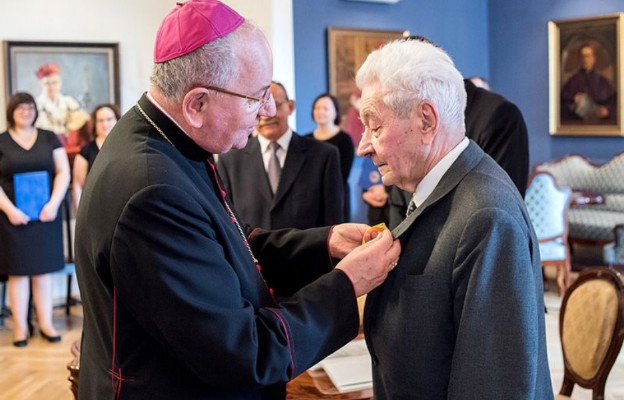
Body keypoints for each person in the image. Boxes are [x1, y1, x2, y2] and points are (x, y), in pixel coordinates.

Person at [74, 1, 400, 399]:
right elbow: (246, 353)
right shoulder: (152, 192)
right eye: (256, 96)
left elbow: (223, 244)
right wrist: (347, 284)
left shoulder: (164, 140)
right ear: (197, 104)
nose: (266, 111)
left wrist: (323, 245)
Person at [356, 39, 552, 398]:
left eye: (375, 126)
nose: (363, 146)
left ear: (426, 120)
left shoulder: (486, 216)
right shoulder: (442, 190)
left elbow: (493, 386)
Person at [217, 81, 344, 230]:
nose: (266, 115)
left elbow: (334, 227)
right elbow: (226, 224)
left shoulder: (324, 156)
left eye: (274, 105)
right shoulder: (230, 161)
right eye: (256, 106)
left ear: (290, 107)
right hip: (252, 254)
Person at [0, 92, 71, 347]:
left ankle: (46, 324)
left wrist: (53, 204)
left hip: (46, 215)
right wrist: (10, 211)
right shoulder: (1, 141)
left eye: (30, 108)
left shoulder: (49, 137)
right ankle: (20, 329)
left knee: (43, 273)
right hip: (12, 218)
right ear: (12, 112)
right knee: (18, 274)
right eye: (20, 108)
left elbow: (63, 171)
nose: (26, 112)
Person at [305, 93, 354, 220]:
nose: (320, 111)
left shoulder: (344, 140)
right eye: (317, 108)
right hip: (310, 198)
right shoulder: (305, 140)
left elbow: (342, 174)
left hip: (336, 197)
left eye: (325, 108)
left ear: (335, 112)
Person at [71, 103, 120, 209]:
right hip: (95, 208)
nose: (105, 124)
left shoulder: (128, 146)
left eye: (109, 119)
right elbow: (78, 186)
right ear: (95, 123)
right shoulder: (86, 151)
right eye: (100, 120)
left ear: (117, 120)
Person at [561, 43, 616, 123]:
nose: (585, 60)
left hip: (600, 127)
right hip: (577, 126)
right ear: (579, 59)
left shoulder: (603, 82)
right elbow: (560, 107)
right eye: (583, 56)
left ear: (594, 59)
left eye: (588, 56)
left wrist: (607, 111)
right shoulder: (571, 82)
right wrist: (573, 102)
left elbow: (615, 105)